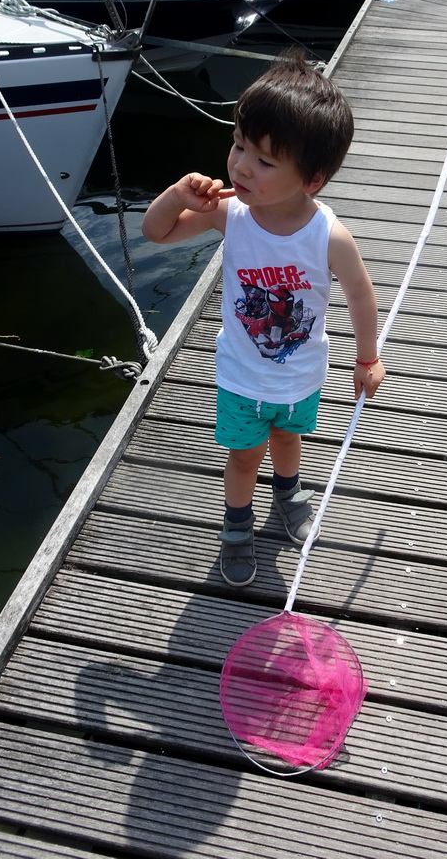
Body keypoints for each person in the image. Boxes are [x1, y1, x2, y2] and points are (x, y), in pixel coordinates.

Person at [142, 50, 386, 587]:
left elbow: (361, 297)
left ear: (313, 179)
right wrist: (177, 196)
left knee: (288, 437)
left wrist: (367, 358)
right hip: (240, 373)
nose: (240, 166)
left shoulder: (328, 236)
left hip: (300, 373)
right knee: (244, 457)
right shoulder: (229, 213)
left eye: (265, 161)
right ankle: (236, 527)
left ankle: (289, 490)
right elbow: (156, 233)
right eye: (238, 145)